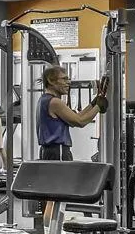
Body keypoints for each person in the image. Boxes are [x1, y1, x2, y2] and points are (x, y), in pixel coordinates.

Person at [36, 66, 108, 221]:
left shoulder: (45, 100)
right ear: (51, 81)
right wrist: (98, 107)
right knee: (57, 195)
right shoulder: (55, 102)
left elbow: (77, 116)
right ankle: (52, 232)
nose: (68, 82)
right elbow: (80, 122)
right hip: (58, 151)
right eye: (64, 79)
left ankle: (50, 232)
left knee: (53, 196)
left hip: (49, 151)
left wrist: (93, 103)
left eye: (68, 79)